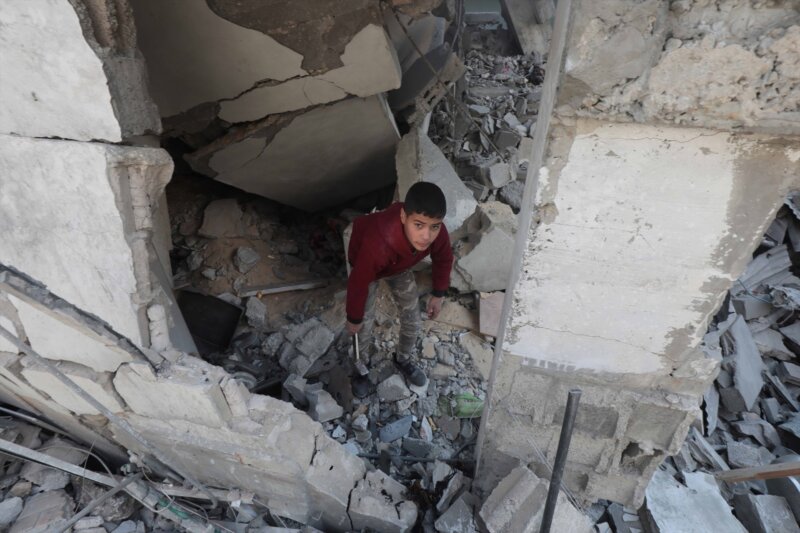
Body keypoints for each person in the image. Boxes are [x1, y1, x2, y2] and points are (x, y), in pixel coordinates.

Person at [345, 182, 453, 397]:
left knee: (413, 319)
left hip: (398, 265)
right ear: (404, 217)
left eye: (434, 226)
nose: (427, 236)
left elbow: (444, 258)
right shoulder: (377, 245)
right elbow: (358, 282)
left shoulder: (435, 233)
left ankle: (402, 359)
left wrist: (438, 293)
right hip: (366, 261)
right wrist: (353, 317)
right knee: (362, 326)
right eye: (419, 225)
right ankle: (360, 368)